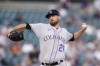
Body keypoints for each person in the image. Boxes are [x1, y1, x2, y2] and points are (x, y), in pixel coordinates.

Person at [8, 9, 87, 66]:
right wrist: (12, 30)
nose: (51, 17)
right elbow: (26, 25)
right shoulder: (42, 27)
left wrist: (82, 30)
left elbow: (74, 37)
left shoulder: (64, 31)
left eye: (53, 15)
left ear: (59, 17)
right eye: (49, 17)